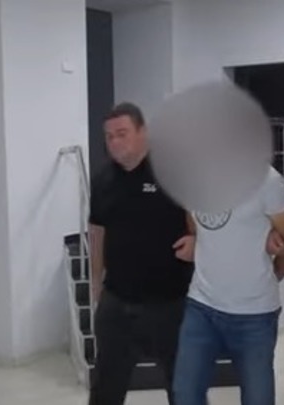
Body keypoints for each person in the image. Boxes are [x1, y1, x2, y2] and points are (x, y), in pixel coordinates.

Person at [87, 102, 196, 405]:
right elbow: (97, 232)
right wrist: (96, 283)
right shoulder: (103, 181)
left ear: (143, 132)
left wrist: (197, 243)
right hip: (117, 301)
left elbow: (200, 222)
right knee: (106, 386)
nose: (114, 142)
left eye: (122, 133)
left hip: (169, 303)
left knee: (183, 386)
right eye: (109, 136)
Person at [172, 167, 284, 405]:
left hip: (255, 315)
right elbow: (195, 225)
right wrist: (198, 243)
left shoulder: (267, 180)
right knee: (185, 394)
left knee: (258, 399)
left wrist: (273, 275)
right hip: (201, 305)